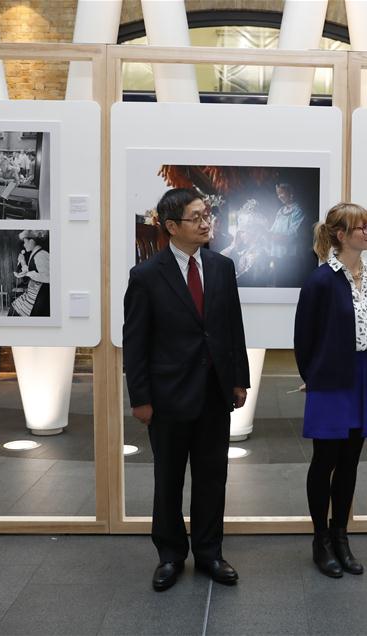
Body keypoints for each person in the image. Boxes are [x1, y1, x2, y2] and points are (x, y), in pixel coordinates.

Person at [123, 187, 250, 592]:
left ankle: (210, 552)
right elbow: (136, 341)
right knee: (169, 480)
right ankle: (171, 555)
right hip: (168, 397)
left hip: (214, 392)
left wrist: (239, 379)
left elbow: (233, 328)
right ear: (171, 226)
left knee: (214, 477)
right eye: (196, 217)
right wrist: (139, 398)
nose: (206, 222)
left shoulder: (222, 267)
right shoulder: (145, 276)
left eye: (207, 215)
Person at [294, 203, 367, 578]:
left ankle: (341, 536)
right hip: (331, 381)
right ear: (341, 236)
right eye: (362, 227)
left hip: (362, 377)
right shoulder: (320, 280)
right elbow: (303, 337)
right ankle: (321, 541)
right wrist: (313, 378)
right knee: (324, 461)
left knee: (350, 461)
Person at [9, 230, 51, 317]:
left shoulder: (41, 254)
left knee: (15, 311)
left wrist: (27, 273)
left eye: (25, 242)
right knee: (13, 308)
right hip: (32, 294)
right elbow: (32, 270)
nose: (24, 245)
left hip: (39, 297)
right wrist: (23, 262)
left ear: (31, 241)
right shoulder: (34, 253)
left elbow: (49, 277)